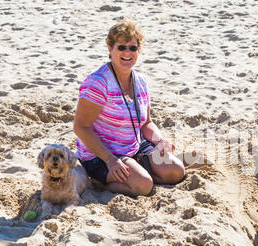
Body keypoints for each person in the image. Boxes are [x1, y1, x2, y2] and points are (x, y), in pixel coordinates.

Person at [73, 18, 185, 196]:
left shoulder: (140, 81)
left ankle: (136, 170)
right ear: (110, 49)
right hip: (102, 155)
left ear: (138, 50)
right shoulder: (98, 83)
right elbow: (80, 127)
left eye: (132, 48)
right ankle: (98, 182)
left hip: (134, 147)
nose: (127, 52)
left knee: (176, 171)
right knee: (144, 185)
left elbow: (146, 123)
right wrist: (109, 160)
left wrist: (159, 140)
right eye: (121, 47)